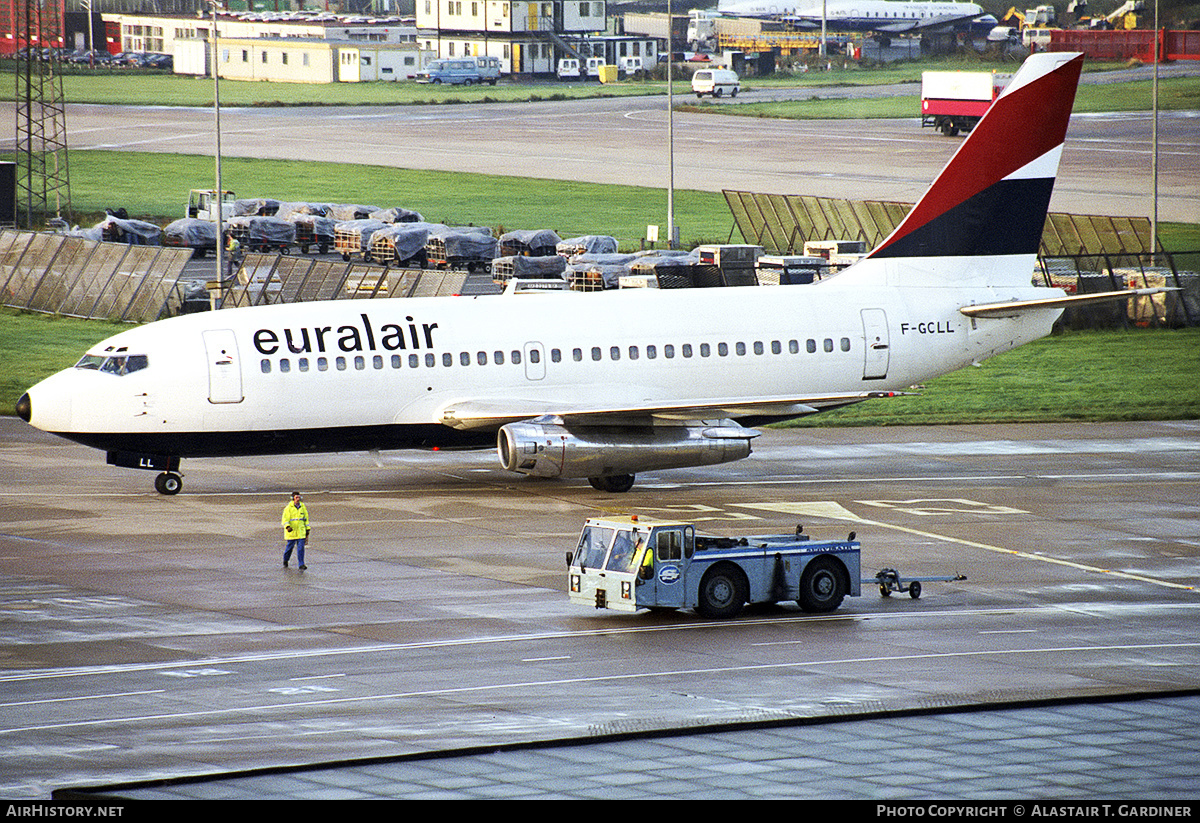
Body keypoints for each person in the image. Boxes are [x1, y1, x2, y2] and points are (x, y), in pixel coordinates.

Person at [281, 491, 311, 570]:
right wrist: (287, 527)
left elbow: (306, 518)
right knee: (289, 548)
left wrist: (307, 529)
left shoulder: (302, 507)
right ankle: (285, 560)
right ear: (293, 498)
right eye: (296, 497)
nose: (298, 499)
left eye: (299, 497)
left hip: (301, 532)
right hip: (292, 532)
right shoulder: (288, 508)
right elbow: (285, 519)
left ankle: (301, 564)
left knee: (301, 548)